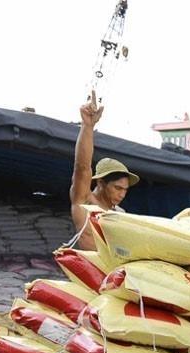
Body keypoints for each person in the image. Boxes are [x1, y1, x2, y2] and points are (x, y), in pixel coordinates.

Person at [69, 90, 140, 250]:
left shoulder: (120, 213)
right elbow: (82, 167)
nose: (122, 194)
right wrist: (87, 126)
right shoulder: (85, 202)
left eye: (125, 190)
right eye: (118, 188)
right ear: (101, 183)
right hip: (91, 265)